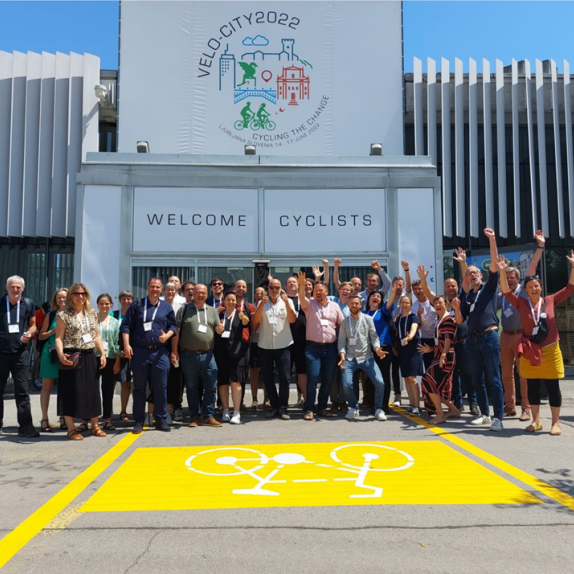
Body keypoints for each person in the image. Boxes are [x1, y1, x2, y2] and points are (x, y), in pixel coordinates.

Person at [498, 252, 574, 436]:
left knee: (552, 386)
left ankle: (555, 422)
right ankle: (536, 421)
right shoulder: (521, 303)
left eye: (536, 286)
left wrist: (573, 267)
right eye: (530, 286)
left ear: (541, 287)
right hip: (530, 350)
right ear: (525, 289)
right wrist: (502, 272)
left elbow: (570, 288)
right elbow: (506, 292)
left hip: (550, 350)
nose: (534, 289)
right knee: (532, 386)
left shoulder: (550, 300)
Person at [455, 228, 505, 431]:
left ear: (481, 275)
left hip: (489, 337)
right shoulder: (467, 296)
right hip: (472, 340)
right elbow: (460, 320)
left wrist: (492, 239)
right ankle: (485, 414)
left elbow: (494, 262)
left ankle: (498, 418)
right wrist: (456, 308)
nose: (472, 275)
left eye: (475, 273)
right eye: (469, 274)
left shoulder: (489, 288)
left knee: (494, 378)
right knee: (477, 379)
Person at [416, 262, 479, 415]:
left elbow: (466, 281)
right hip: (447, 347)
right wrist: (423, 279)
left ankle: (474, 403)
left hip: (463, 343)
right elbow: (428, 293)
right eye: (448, 286)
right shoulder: (441, 303)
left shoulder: (462, 298)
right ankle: (457, 403)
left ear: (457, 287)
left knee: (468, 373)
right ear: (445, 289)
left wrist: (463, 263)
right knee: (453, 376)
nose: (451, 288)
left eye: (453, 286)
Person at [496, 231, 544, 420]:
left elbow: (532, 266)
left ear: (517, 279)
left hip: (520, 336)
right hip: (505, 336)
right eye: (506, 277)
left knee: (523, 374)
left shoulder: (523, 292)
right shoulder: (502, 294)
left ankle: (526, 408)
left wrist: (540, 246)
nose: (509, 280)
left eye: (512, 277)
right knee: (506, 374)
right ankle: (510, 406)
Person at [121, 278, 177, 434]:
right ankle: (138, 421)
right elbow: (125, 326)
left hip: (160, 352)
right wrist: (126, 345)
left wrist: (167, 336)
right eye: (152, 286)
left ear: (161, 289)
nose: (155, 289)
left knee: (161, 387)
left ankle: (161, 420)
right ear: (147, 287)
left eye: (157, 287)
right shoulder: (137, 304)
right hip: (140, 351)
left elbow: (173, 327)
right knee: (139, 388)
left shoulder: (166, 306)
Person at [54, 283, 107, 440]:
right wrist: (61, 354)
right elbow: (58, 338)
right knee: (69, 391)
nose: (80, 296)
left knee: (92, 391)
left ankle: (95, 426)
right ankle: (71, 429)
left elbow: (96, 336)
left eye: (83, 293)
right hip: (71, 355)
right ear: (71, 295)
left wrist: (102, 353)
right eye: (77, 293)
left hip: (89, 355)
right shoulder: (63, 315)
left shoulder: (92, 313)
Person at [172, 283, 223, 428]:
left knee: (211, 386)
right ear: (193, 294)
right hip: (189, 355)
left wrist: (220, 329)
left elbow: (217, 328)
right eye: (198, 292)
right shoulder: (184, 309)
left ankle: (208, 416)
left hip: (208, 355)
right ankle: (195, 416)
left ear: (207, 294)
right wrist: (174, 351)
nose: (201, 295)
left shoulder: (212, 311)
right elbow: (176, 332)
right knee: (192, 387)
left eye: (203, 293)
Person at [297, 272, 344, 420]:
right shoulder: (309, 304)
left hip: (330, 348)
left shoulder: (335, 306)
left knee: (328, 379)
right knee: (313, 378)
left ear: (326, 292)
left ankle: (322, 408)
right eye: (315, 290)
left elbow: (341, 325)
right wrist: (302, 286)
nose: (317, 293)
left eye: (320, 290)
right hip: (313, 348)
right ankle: (310, 408)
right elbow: (301, 298)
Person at [338, 295, 389, 421]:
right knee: (347, 384)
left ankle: (378, 408)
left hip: (366, 357)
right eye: (352, 303)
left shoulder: (367, 319)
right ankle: (354, 407)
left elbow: (374, 337)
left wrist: (377, 349)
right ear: (348, 305)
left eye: (356, 303)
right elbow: (341, 342)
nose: (354, 305)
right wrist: (342, 356)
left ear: (360, 305)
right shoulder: (344, 322)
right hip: (349, 358)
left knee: (380, 382)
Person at [0, 275, 39, 438]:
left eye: (18, 287)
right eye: (12, 287)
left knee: (22, 391)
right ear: (6, 288)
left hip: (21, 354)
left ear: (23, 288)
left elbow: (33, 325)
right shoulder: (1, 303)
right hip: (1, 353)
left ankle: (25, 426)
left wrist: (30, 333)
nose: (15, 290)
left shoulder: (28, 304)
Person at [253, 278, 297, 419]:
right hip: (265, 345)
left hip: (283, 345)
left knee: (285, 377)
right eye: (272, 287)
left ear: (280, 289)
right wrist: (262, 304)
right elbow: (256, 320)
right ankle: (274, 406)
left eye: (277, 288)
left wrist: (286, 302)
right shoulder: (262, 302)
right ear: (268, 289)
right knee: (267, 378)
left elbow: (292, 319)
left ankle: (283, 407)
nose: (274, 290)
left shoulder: (287, 301)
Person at [420, 295, 459, 424]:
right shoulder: (440, 319)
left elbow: (448, 339)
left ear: (446, 305)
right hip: (439, 355)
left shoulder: (447, 320)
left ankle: (440, 414)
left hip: (446, 357)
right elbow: (440, 340)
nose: (437, 305)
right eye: (435, 303)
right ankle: (453, 410)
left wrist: (443, 355)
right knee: (437, 386)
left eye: (440, 303)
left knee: (427, 380)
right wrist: (431, 349)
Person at [214, 290, 250, 424]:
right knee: (223, 382)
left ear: (236, 302)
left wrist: (243, 318)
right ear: (224, 301)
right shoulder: (219, 315)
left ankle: (236, 412)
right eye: (228, 299)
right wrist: (218, 329)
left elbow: (246, 322)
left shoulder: (240, 314)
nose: (230, 302)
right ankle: (225, 410)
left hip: (237, 353)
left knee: (236, 382)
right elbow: (215, 329)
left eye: (233, 300)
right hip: (221, 353)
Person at [38, 288, 68, 432]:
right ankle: (44, 418)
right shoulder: (50, 315)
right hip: (50, 353)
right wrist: (52, 332)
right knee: (47, 387)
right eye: (59, 298)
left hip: (66, 354)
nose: (62, 300)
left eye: (64, 297)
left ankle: (63, 417)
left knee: (64, 387)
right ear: (55, 300)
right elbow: (41, 336)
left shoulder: (72, 314)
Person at [393, 290, 424, 415]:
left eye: (407, 303)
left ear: (411, 305)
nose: (404, 305)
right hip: (402, 351)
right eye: (402, 303)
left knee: (412, 378)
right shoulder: (399, 318)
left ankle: (417, 406)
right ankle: (412, 404)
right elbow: (397, 334)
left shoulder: (413, 317)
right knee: (406, 378)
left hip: (413, 350)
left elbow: (414, 328)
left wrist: (409, 337)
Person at [364, 290, 394, 414]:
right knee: (371, 378)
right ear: (368, 300)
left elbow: (389, 304)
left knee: (384, 377)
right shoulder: (363, 313)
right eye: (373, 296)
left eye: (378, 296)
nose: (375, 297)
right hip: (367, 349)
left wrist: (393, 291)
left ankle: (384, 405)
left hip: (383, 348)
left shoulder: (383, 312)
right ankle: (374, 404)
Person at [95, 293, 121, 431]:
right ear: (97, 305)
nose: (104, 306)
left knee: (108, 389)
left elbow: (117, 343)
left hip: (110, 357)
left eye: (107, 303)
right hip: (93, 356)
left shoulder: (115, 322)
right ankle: (88, 419)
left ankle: (107, 418)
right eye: (101, 303)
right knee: (91, 388)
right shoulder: (92, 320)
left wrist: (117, 361)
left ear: (111, 305)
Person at [328, 281, 353, 412]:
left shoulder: (352, 306)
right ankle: (334, 401)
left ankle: (343, 401)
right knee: (333, 374)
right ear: (339, 290)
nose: (345, 291)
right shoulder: (331, 302)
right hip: (332, 342)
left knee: (345, 373)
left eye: (348, 290)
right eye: (343, 289)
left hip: (347, 344)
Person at [163, 282, 184, 422]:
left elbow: (178, 329)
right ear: (163, 291)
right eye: (168, 290)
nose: (170, 292)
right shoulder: (158, 305)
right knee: (162, 378)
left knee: (176, 379)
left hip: (176, 346)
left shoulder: (181, 307)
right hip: (161, 346)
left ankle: (176, 407)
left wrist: (175, 350)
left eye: (173, 290)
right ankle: (164, 409)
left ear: (176, 292)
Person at [285, 275, 308, 406]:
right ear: (286, 286)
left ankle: (307, 400)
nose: (292, 284)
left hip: (302, 341)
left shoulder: (304, 299)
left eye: (294, 282)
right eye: (289, 282)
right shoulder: (282, 300)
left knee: (302, 372)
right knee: (285, 373)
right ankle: (284, 403)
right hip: (285, 341)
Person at [113, 290, 134, 421]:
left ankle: (123, 411)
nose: (126, 301)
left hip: (130, 354)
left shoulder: (135, 315)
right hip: (114, 353)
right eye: (124, 299)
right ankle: (108, 412)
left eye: (129, 299)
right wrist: (118, 351)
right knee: (111, 383)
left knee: (126, 384)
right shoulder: (113, 315)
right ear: (120, 300)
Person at [410, 277, 438, 370]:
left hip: (438, 338)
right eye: (415, 289)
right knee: (429, 368)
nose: (417, 291)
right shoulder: (414, 307)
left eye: (420, 288)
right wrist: (419, 314)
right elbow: (418, 326)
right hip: (425, 340)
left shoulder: (433, 300)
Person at [248, 286, 266, 409]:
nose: (259, 295)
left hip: (266, 342)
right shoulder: (250, 307)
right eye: (257, 293)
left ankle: (267, 399)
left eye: (261, 293)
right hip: (254, 342)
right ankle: (254, 399)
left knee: (266, 372)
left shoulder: (268, 306)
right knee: (254, 372)